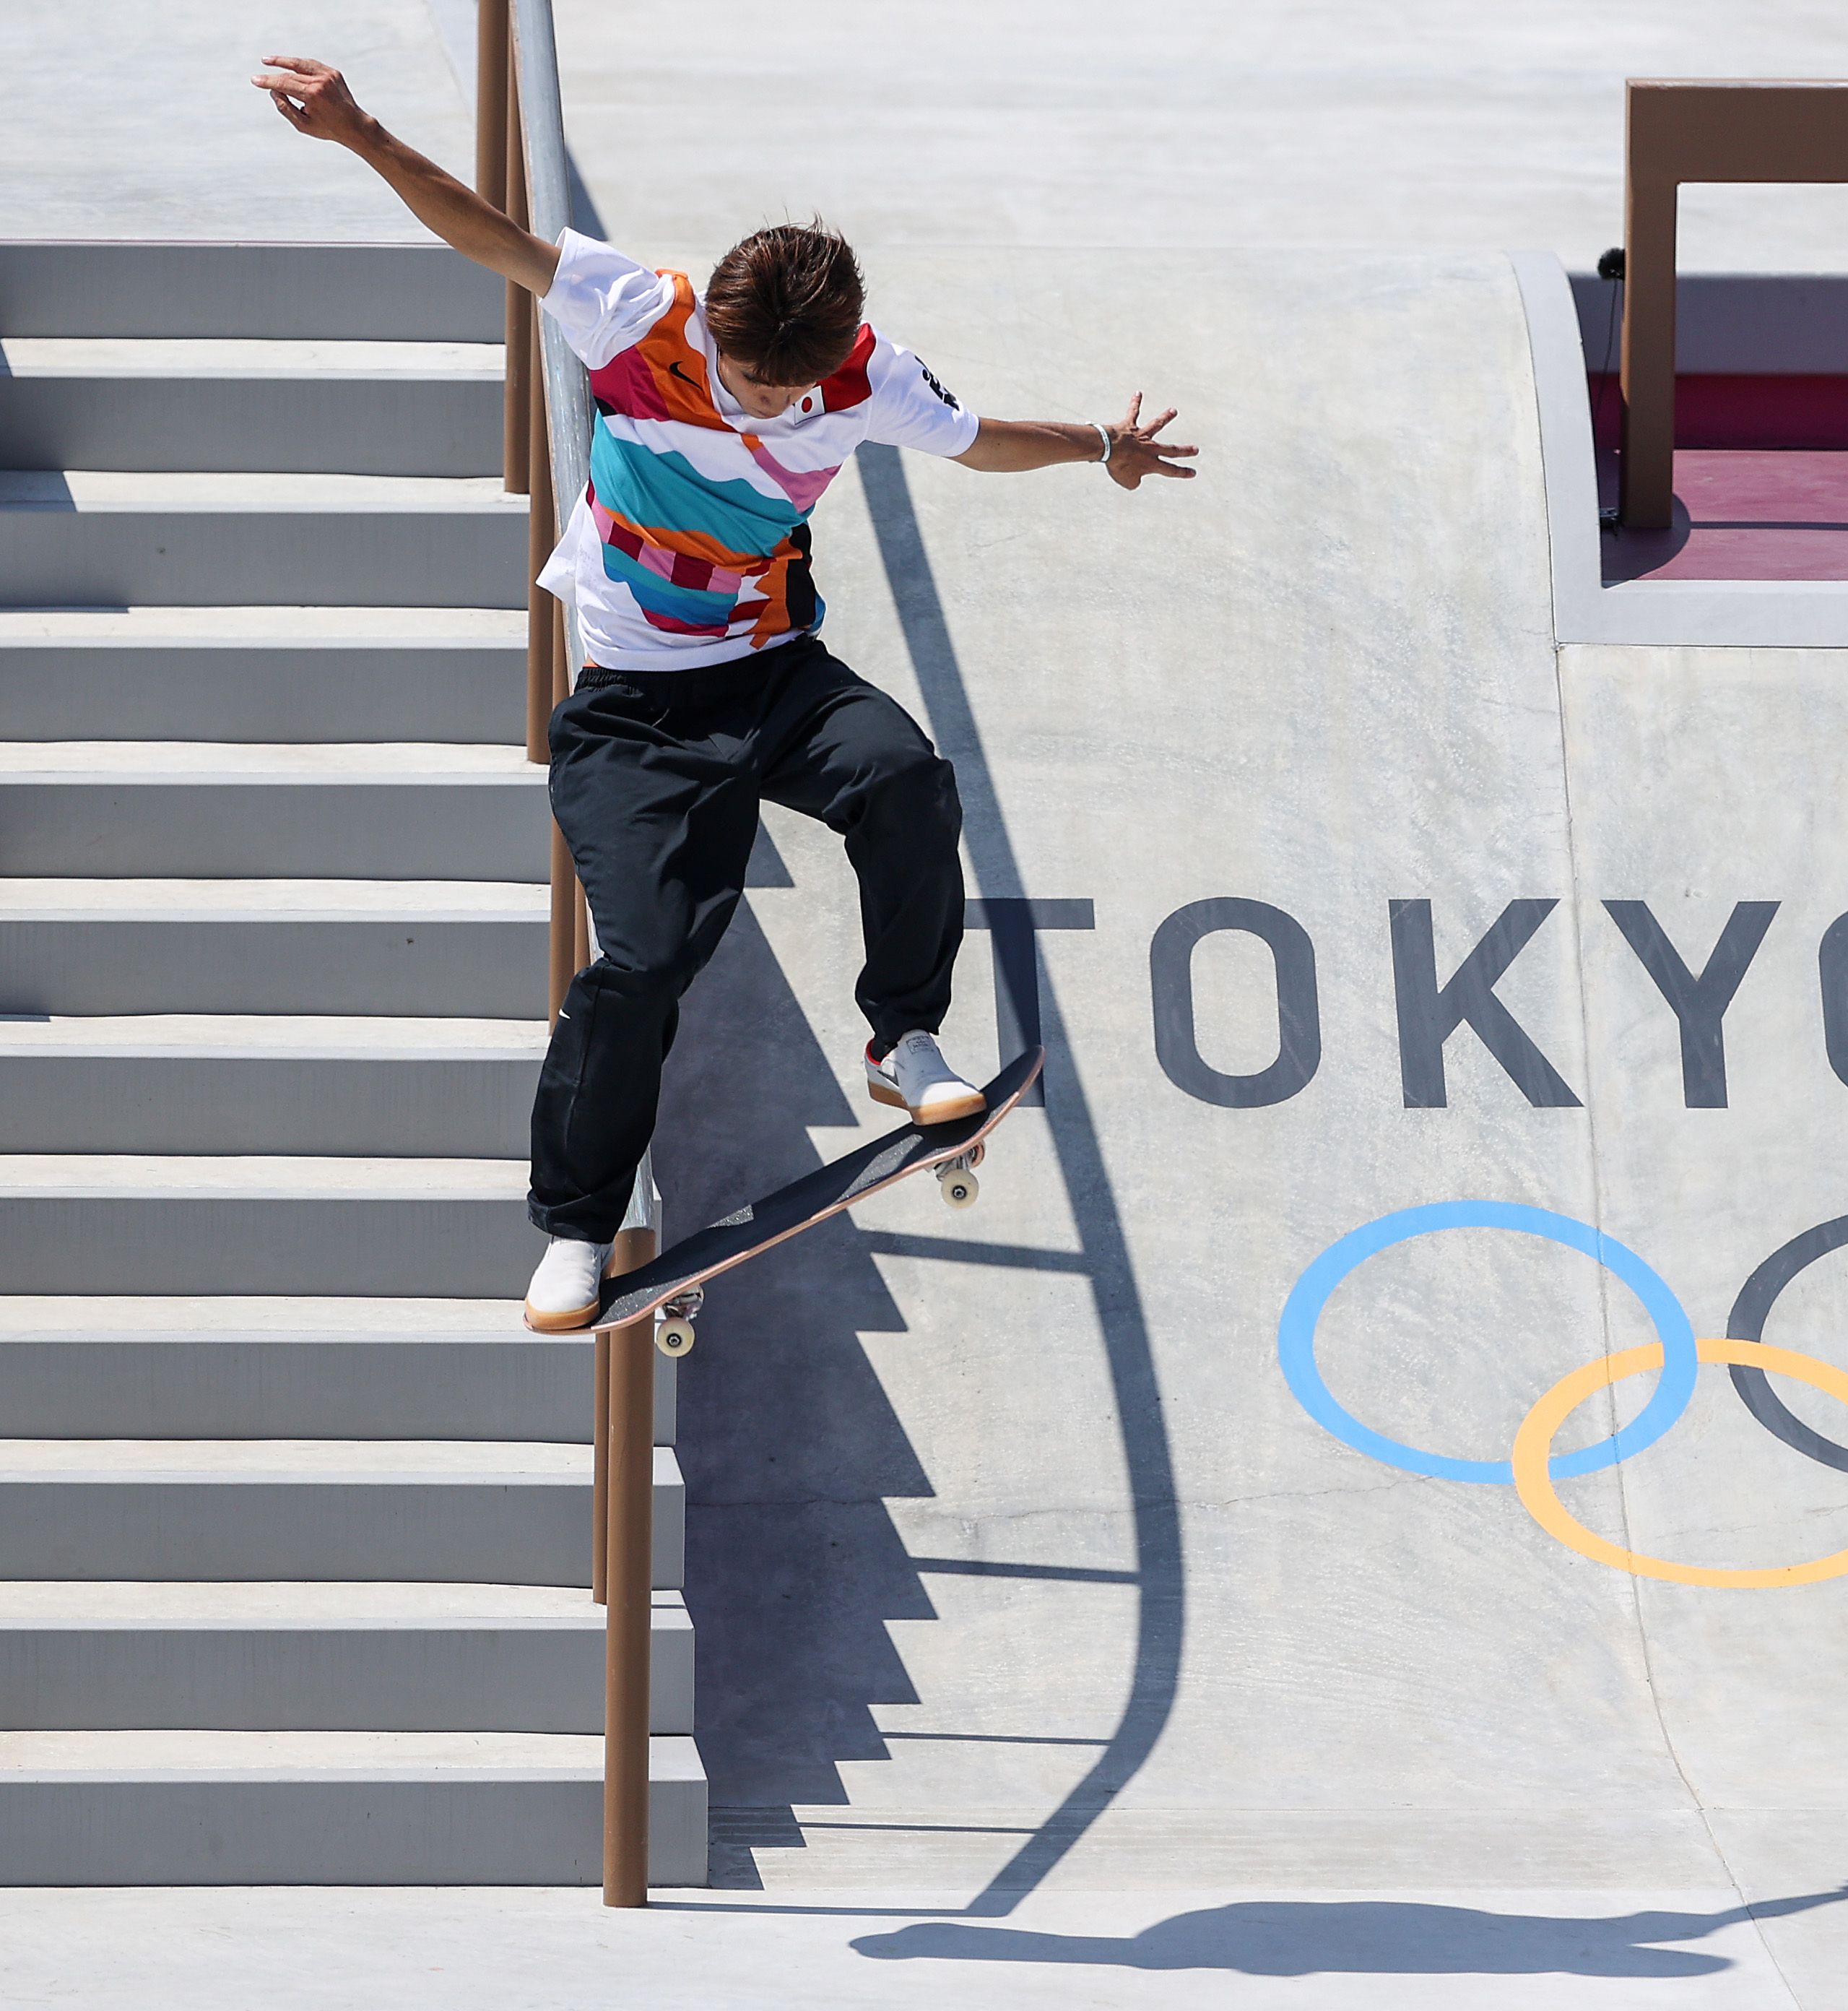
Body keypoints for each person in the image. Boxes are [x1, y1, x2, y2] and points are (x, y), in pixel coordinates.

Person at [253, 55, 1197, 1332]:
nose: (770, 412)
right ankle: (579, 1224)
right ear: (717, 338)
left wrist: (1100, 448)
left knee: (907, 777)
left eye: (790, 398)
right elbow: (491, 235)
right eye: (751, 388)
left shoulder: (868, 377)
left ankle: (900, 1041)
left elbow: (982, 446)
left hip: (770, 672)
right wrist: (363, 132)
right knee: (644, 960)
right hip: (634, 705)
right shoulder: (637, 313)